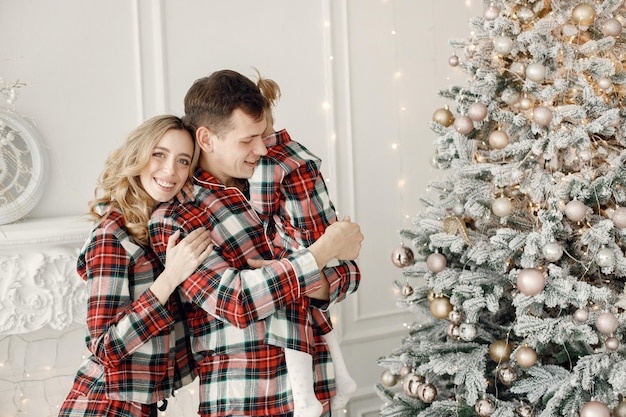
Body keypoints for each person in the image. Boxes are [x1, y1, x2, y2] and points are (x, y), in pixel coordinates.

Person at [148, 69, 363, 417]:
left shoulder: (276, 180)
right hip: (246, 402)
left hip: (320, 394)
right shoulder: (176, 217)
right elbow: (237, 301)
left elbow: (349, 275)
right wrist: (323, 252)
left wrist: (309, 271)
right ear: (206, 138)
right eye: (247, 140)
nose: (261, 148)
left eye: (262, 135)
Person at [59, 115, 213, 417]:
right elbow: (104, 348)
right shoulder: (112, 237)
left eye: (183, 161)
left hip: (138, 407)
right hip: (104, 407)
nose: (171, 171)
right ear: (138, 156)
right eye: (159, 154)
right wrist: (169, 278)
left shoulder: (155, 225)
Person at [248, 72, 358, 416]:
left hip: (299, 245)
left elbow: (261, 211)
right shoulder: (295, 150)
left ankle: (304, 399)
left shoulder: (267, 162)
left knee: (288, 313)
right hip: (322, 239)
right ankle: (343, 377)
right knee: (313, 314)